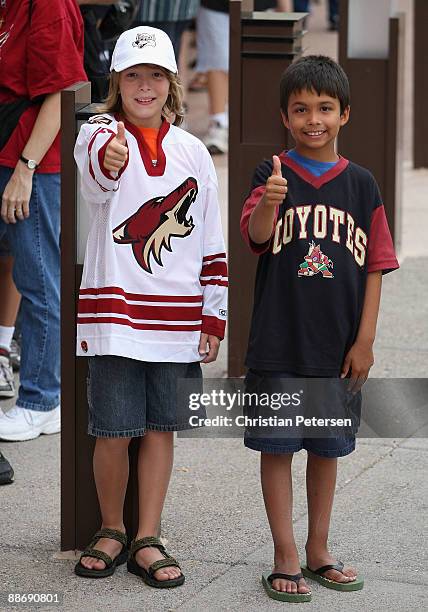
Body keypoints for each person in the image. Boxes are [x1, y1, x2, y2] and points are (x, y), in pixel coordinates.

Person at [240, 55, 399, 602]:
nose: (314, 119)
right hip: (280, 344)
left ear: (345, 114)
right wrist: (270, 203)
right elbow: (257, 239)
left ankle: (318, 549)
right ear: (285, 117)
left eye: (325, 108)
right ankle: (284, 553)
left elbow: (376, 265)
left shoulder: (361, 185)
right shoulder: (271, 175)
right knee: (278, 449)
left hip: (338, 349)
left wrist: (366, 340)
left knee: (327, 450)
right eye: (301, 109)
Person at [73, 26, 227, 585]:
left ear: (171, 83)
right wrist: (109, 152)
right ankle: (111, 527)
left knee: (161, 427)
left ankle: (147, 535)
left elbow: (211, 236)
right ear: (117, 82)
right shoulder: (98, 132)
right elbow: (96, 172)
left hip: (178, 316)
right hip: (115, 317)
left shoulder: (192, 152)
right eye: (133, 75)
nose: (144, 86)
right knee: (112, 429)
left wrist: (215, 310)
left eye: (155, 75)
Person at [0, 0, 86, 441]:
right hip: (13, 153)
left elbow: (64, 92)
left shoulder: (48, 4)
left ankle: (42, 399)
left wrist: (25, 168)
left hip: (32, 161)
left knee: (39, 278)